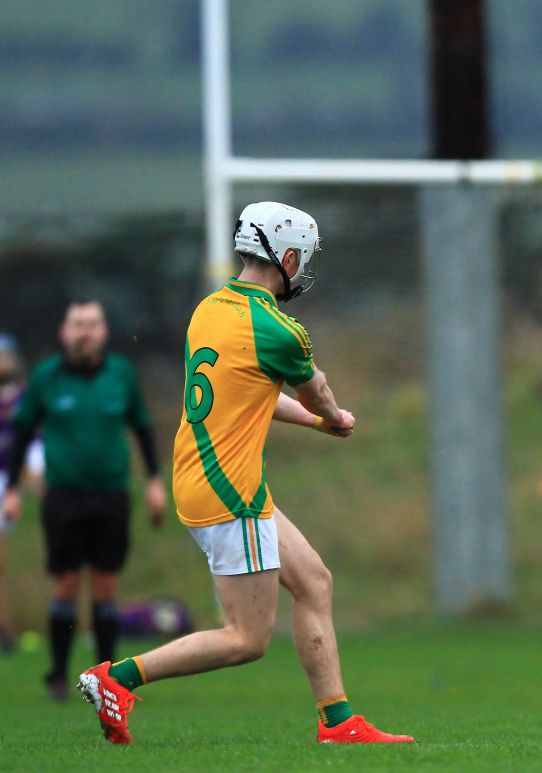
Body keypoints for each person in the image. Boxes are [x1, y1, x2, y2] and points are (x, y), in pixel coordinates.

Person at [63, 201, 412, 745]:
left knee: (314, 582)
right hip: (231, 491)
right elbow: (316, 392)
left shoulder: (210, 309)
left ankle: (339, 721)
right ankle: (117, 678)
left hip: (201, 476)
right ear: (288, 257)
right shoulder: (279, 329)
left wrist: (319, 425)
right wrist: (332, 416)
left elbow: (254, 395)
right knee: (246, 638)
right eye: (304, 259)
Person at [2, 303, 166, 699]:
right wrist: (10, 490)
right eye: (78, 325)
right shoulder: (45, 378)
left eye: (92, 324)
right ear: (64, 331)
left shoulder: (121, 375)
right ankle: (59, 674)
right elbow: (22, 435)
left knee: (107, 585)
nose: (85, 332)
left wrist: (154, 482)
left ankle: (106, 678)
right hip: (63, 496)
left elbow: (142, 429)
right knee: (67, 585)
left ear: (104, 331)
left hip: (111, 494)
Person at [0, 334, 46, 654]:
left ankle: (5, 630)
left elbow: (34, 441)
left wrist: (32, 477)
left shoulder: (25, 397)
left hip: (9, 483)